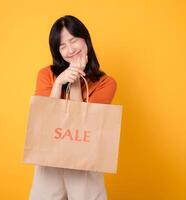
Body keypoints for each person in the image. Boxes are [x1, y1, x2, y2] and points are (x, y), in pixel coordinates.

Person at [29, 15, 117, 200]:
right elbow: (46, 118)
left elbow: (83, 124)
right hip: (49, 160)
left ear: (85, 39)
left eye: (73, 40)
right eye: (62, 46)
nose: (70, 49)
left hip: (85, 163)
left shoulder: (106, 83)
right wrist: (58, 83)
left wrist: (75, 80)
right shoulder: (46, 74)